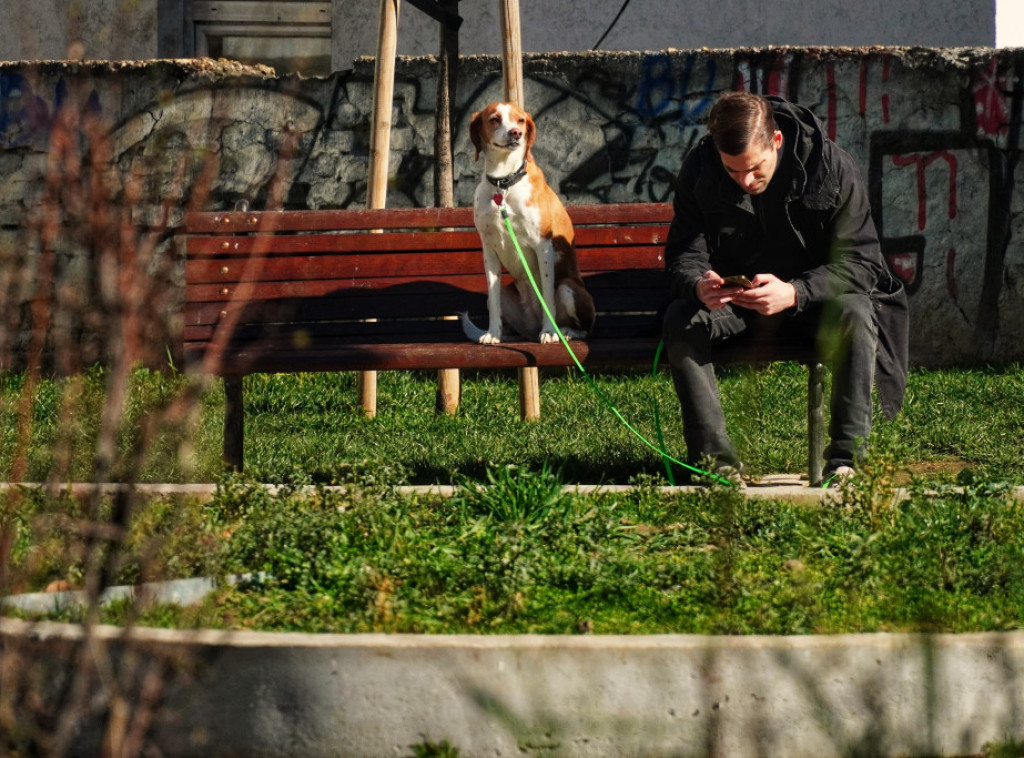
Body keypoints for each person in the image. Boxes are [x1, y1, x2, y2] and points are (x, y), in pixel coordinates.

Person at [662, 91, 908, 484]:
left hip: (810, 305)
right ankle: (717, 466)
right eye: (732, 171)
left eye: (755, 168)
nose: (744, 180)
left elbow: (862, 262)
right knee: (681, 317)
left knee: (857, 311)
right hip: (736, 305)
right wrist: (698, 284)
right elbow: (683, 255)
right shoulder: (700, 168)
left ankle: (847, 462)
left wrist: (796, 291)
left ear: (776, 141)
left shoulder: (831, 167)